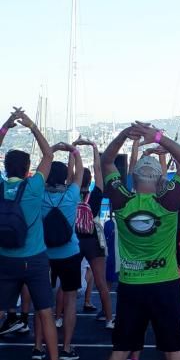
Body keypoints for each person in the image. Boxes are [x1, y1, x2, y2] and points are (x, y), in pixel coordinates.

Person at [93, 122, 180, 360]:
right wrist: (159, 138)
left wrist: (125, 135)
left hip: (132, 287)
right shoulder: (169, 203)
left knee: (121, 349)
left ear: (133, 179)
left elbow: (106, 160)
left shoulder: (121, 202)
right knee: (174, 351)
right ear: (161, 180)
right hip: (164, 285)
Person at [0, 107, 70, 360]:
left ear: (5, 167)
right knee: (45, 312)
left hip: (5, 256)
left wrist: (6, 125)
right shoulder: (33, 187)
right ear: (27, 169)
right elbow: (49, 155)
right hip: (34, 258)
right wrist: (32, 126)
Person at [35, 144, 83, 360]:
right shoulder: (72, 194)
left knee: (42, 302)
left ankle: (38, 347)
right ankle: (66, 347)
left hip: (44, 252)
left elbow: (38, 172)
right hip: (69, 252)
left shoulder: (38, 194)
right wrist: (75, 152)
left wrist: (51, 150)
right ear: (65, 177)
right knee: (71, 300)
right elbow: (80, 173)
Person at [74, 139, 114, 328]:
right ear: (90, 181)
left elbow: (70, 175)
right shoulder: (96, 194)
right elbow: (99, 171)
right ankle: (109, 319)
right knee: (101, 282)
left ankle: (58, 316)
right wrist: (94, 148)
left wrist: (74, 151)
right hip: (92, 239)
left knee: (67, 283)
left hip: (74, 240)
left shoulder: (70, 193)